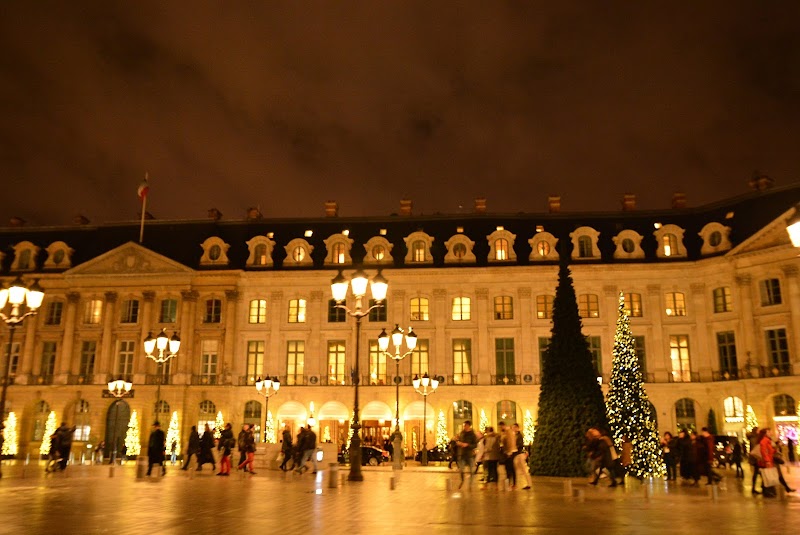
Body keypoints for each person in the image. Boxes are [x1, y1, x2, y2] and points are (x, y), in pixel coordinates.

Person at [455, 420, 478, 489]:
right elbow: (459, 441)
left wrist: (467, 445)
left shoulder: (472, 435)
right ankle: (462, 480)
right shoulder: (462, 433)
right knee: (461, 470)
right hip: (462, 454)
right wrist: (458, 442)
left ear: (469, 426)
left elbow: (475, 445)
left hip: (470, 455)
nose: (464, 427)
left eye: (465, 425)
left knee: (471, 471)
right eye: (464, 426)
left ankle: (470, 485)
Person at [512, 423, 531, 490]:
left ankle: (528, 483)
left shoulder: (519, 436)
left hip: (519, 454)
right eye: (513, 427)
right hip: (517, 454)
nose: (513, 429)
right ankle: (517, 483)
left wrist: (514, 448)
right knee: (518, 469)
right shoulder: (515, 435)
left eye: (514, 427)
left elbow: (520, 445)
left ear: (517, 428)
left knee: (524, 469)